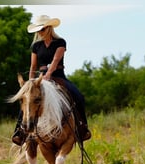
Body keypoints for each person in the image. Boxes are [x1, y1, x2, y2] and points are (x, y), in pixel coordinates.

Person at [12, 15, 91, 146]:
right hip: (39, 78)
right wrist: (30, 83)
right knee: (27, 99)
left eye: (41, 30)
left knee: (78, 95)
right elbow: (33, 66)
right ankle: (20, 132)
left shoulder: (60, 42)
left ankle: (82, 128)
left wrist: (48, 74)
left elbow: (55, 61)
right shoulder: (36, 46)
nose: (39, 33)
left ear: (48, 28)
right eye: (38, 31)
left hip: (58, 75)